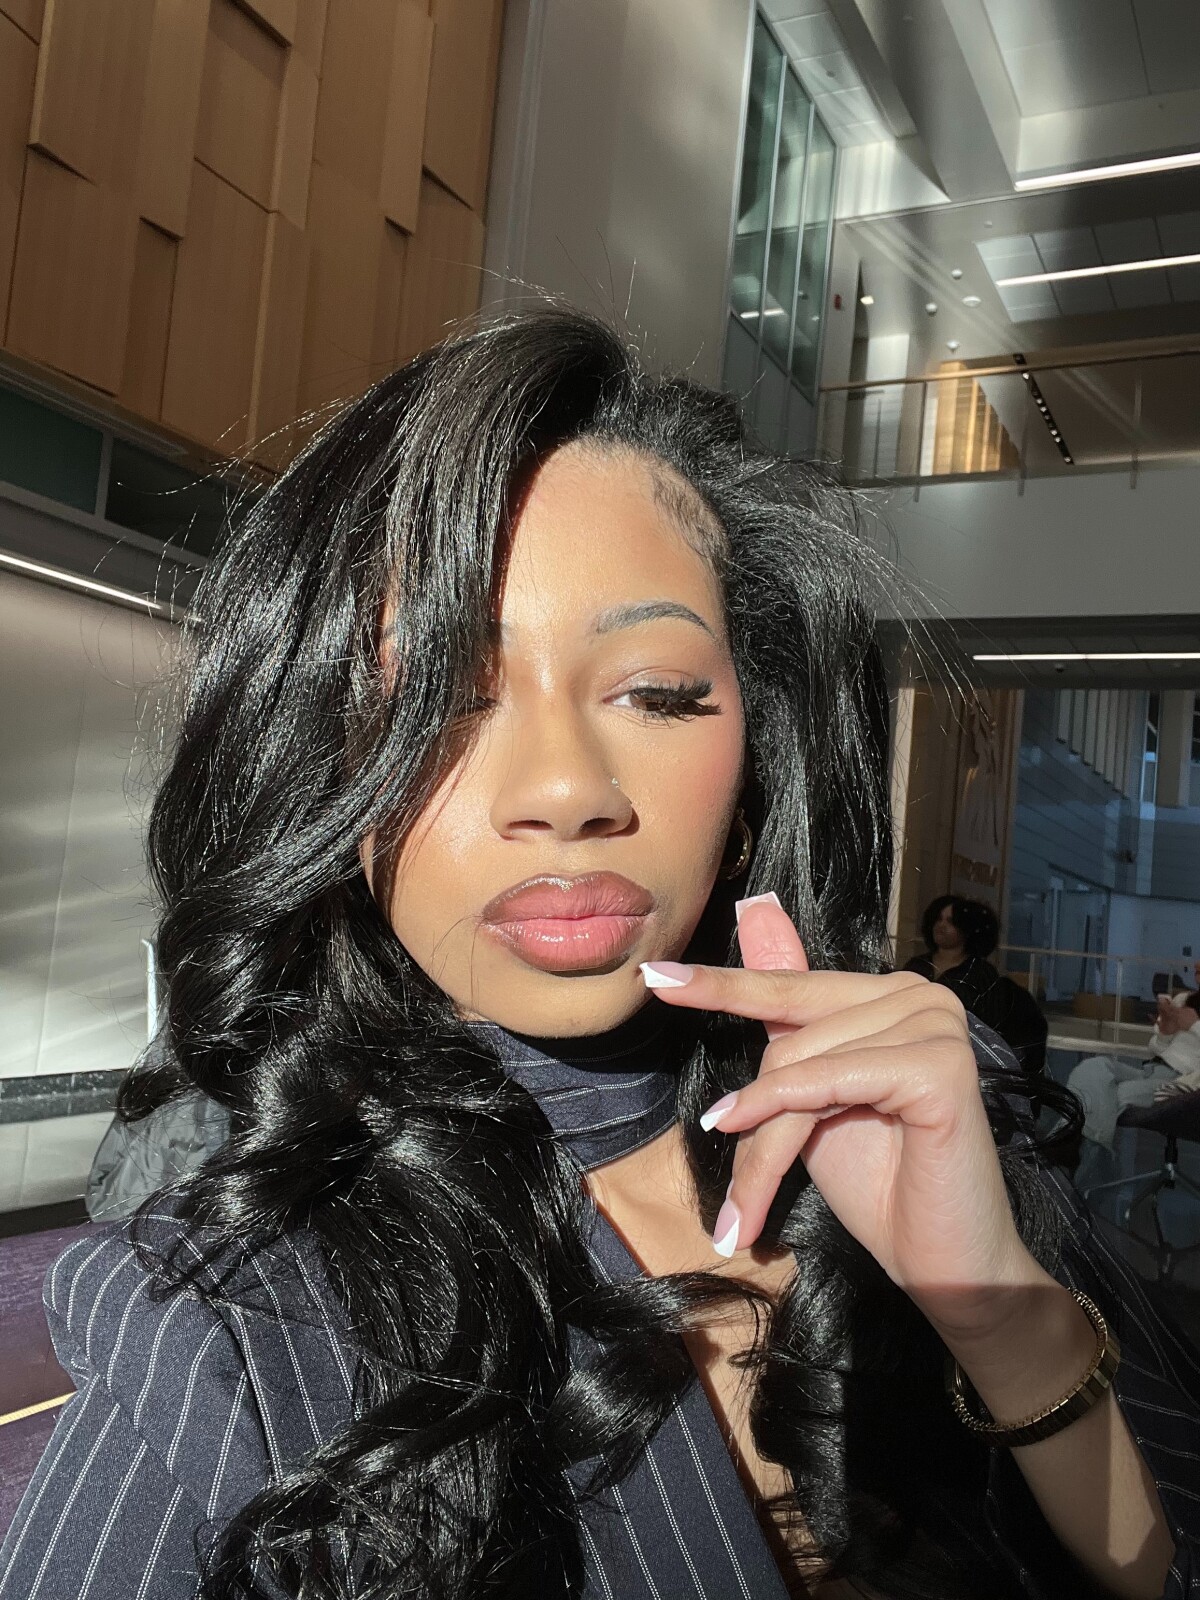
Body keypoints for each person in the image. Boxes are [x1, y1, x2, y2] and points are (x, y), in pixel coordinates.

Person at [2, 310, 1197, 1600]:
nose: (567, 788)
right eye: (440, 697)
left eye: (657, 693)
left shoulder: (949, 1141)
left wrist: (998, 1311)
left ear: (755, 766)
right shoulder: (231, 1324)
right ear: (331, 781)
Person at [904, 896, 1049, 1078]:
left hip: (958, 1064)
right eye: (938, 919)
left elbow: (987, 1029)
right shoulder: (917, 965)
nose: (941, 926)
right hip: (910, 1054)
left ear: (967, 929)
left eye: (951, 921)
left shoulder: (982, 975)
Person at [1068, 971, 1200, 1156]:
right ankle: (1072, 1146)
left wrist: (1193, 1025)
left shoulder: (1190, 1015)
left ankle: (1066, 1148)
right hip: (1153, 1068)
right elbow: (1155, 1047)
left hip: (1183, 1081)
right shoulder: (1183, 1000)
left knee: (1109, 1097)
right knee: (1092, 1067)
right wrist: (1165, 1032)